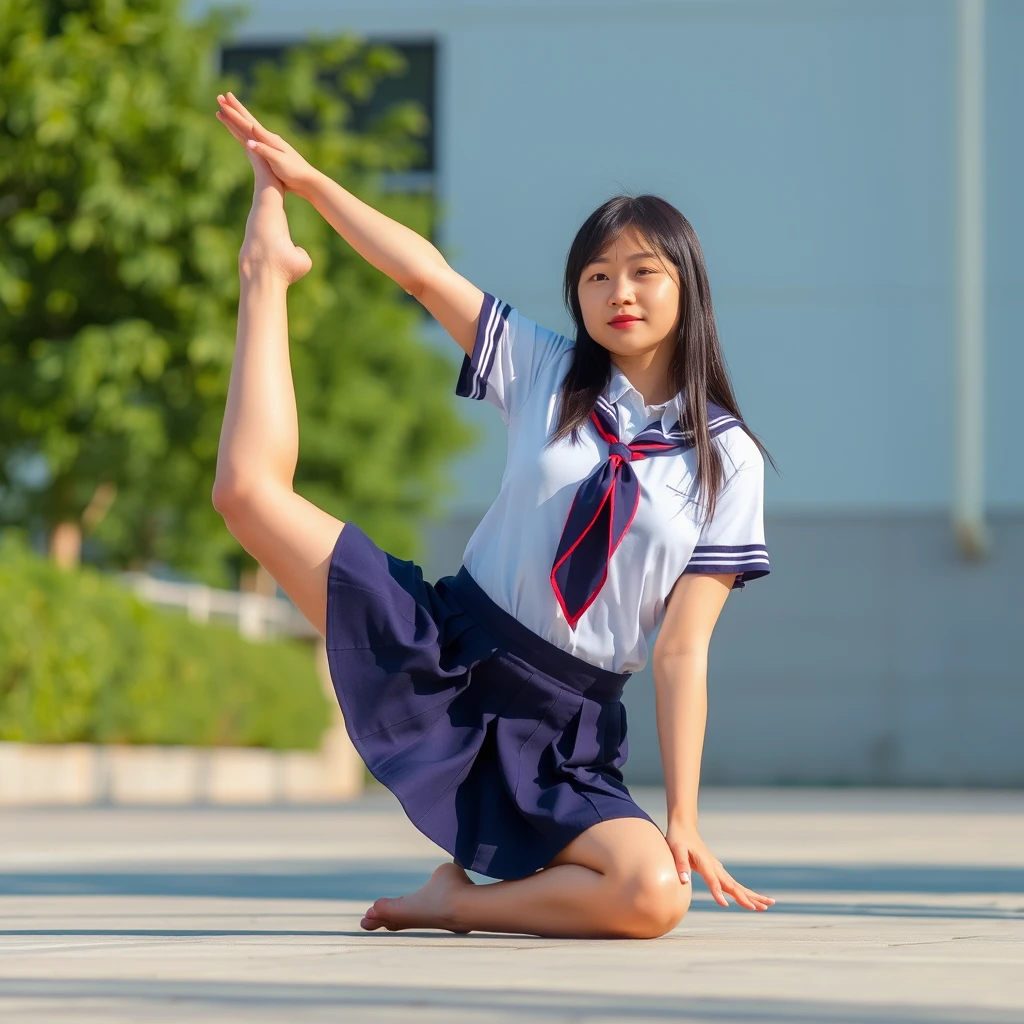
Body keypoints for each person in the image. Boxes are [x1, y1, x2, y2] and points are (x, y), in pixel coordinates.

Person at [212, 92, 777, 938]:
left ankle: (459, 903)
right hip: (446, 643)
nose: (618, 291)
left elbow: (683, 648)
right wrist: (312, 184)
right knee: (246, 495)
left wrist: (685, 817)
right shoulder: (548, 374)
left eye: (642, 271)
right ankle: (266, 274)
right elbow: (423, 272)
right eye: (596, 275)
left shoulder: (728, 459)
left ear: (687, 286)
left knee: (654, 897)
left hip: (568, 724)